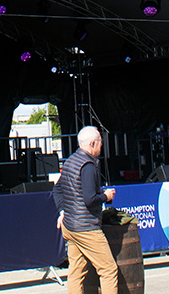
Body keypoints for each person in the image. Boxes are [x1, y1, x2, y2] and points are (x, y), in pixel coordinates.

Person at [53, 126, 118, 294]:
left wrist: (62, 211)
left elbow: (57, 190)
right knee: (109, 270)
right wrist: (106, 196)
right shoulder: (88, 165)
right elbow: (90, 199)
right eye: (100, 143)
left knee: (76, 271)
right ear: (92, 143)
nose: (102, 146)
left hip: (70, 226)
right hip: (86, 228)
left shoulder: (70, 161)